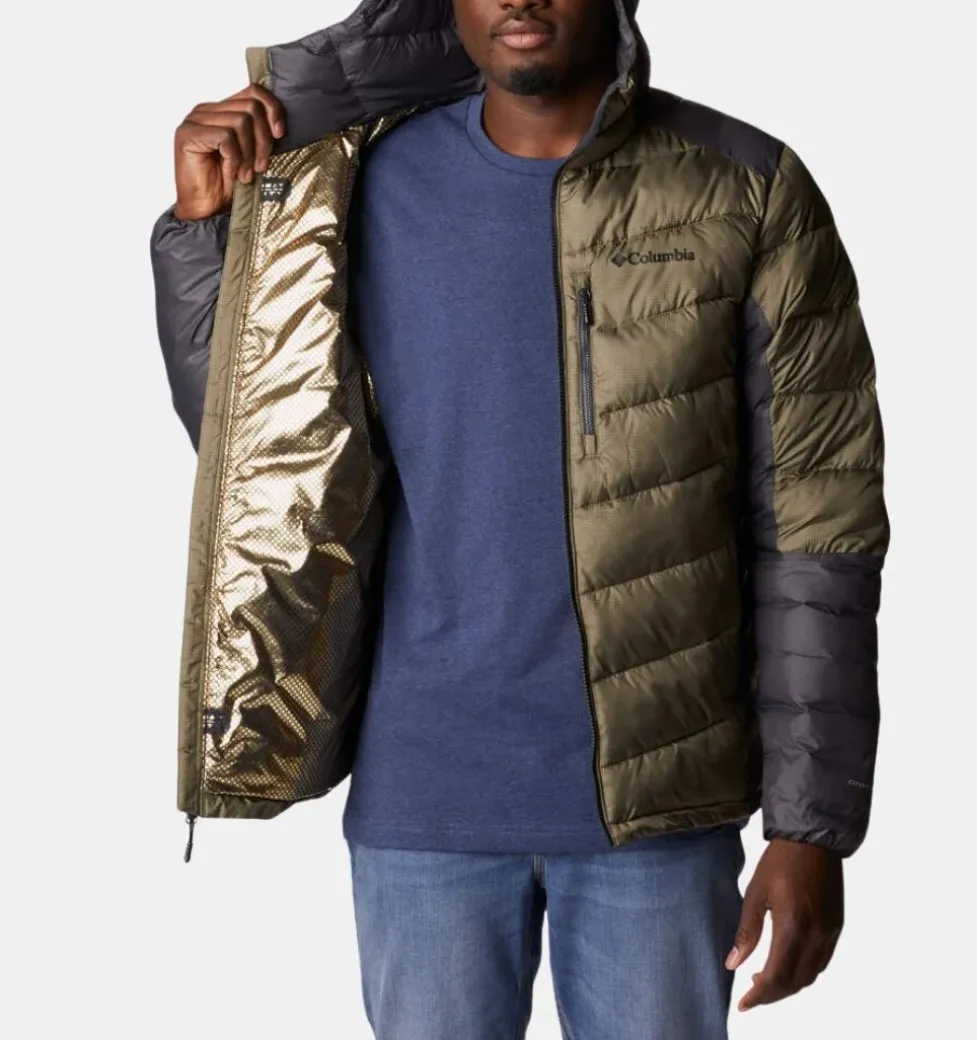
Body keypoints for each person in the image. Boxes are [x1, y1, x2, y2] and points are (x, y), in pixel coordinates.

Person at [149, 1, 889, 1037]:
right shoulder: (357, 184)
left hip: (659, 806)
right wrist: (204, 236)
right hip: (424, 798)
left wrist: (810, 826)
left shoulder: (743, 186)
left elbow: (818, 527)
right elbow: (272, 461)